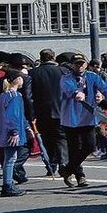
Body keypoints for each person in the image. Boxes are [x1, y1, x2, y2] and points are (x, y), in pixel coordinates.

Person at [59, 53, 107, 187]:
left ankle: (67, 169)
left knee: (90, 146)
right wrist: (76, 93)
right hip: (71, 118)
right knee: (74, 149)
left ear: (85, 64)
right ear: (71, 65)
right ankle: (80, 176)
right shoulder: (66, 78)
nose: (79, 66)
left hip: (88, 117)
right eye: (76, 64)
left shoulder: (92, 76)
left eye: (82, 63)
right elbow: (68, 88)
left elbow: (104, 87)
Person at [29, 48, 65, 177]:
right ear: (53, 57)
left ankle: (51, 165)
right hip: (61, 110)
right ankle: (63, 163)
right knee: (61, 138)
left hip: (41, 111)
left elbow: (29, 95)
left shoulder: (33, 73)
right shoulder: (62, 71)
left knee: (46, 139)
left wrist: (31, 112)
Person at [0, 68, 29, 197]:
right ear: (17, 80)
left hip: (6, 130)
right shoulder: (14, 96)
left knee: (10, 158)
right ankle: (7, 185)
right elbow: (13, 115)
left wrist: (26, 126)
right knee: (10, 158)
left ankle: (8, 184)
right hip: (12, 131)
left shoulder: (5, 95)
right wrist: (14, 131)